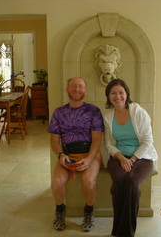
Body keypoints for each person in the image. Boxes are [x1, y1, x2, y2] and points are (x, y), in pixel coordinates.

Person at [103, 78, 158, 237]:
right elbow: (109, 144)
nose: (117, 96)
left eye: (121, 92)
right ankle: (120, 230)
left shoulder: (138, 112)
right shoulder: (108, 116)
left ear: (127, 94)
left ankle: (124, 233)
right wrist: (121, 158)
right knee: (120, 182)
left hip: (142, 157)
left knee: (131, 182)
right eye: (113, 93)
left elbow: (148, 141)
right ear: (108, 96)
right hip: (118, 157)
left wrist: (132, 159)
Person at [48, 77, 104, 232]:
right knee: (57, 182)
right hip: (67, 154)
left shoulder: (94, 111)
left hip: (90, 153)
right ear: (67, 89)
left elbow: (97, 139)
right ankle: (60, 211)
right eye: (73, 86)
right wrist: (60, 155)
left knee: (89, 181)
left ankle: (88, 212)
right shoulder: (58, 112)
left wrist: (89, 159)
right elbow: (54, 140)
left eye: (80, 86)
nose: (77, 89)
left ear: (85, 90)